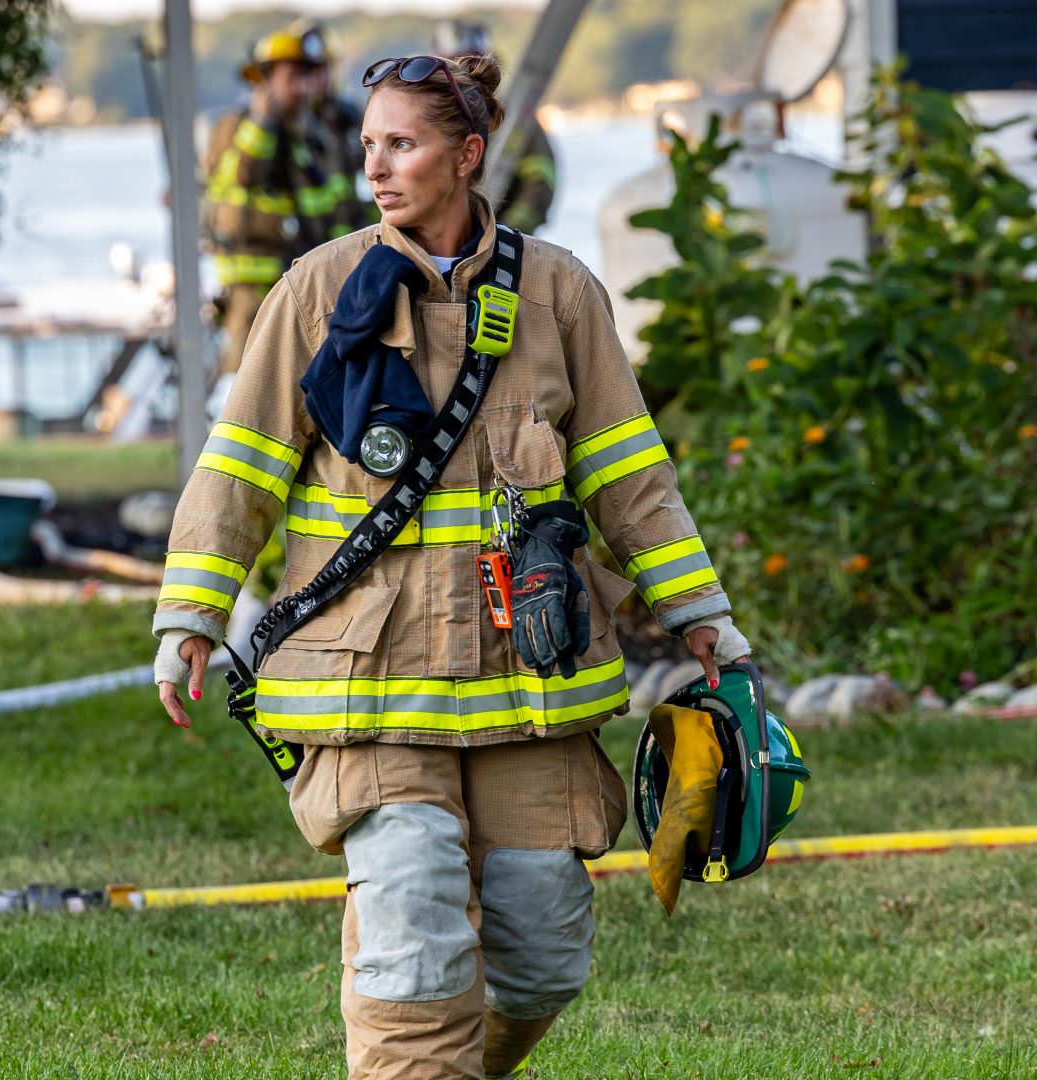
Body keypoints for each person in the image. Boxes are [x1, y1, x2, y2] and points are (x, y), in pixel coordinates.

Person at [156, 51, 751, 1080]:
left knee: (542, 955)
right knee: (417, 956)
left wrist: (699, 612)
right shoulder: (317, 292)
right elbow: (238, 467)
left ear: (467, 156)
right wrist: (189, 618)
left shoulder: (560, 294)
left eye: (403, 144)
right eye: (369, 145)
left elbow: (628, 474)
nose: (375, 169)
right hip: (369, 684)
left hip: (527, 679)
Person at [202, 26, 322, 378]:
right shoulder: (236, 128)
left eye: (305, 78)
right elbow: (242, 173)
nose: (301, 89)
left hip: (293, 275)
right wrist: (263, 118)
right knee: (244, 376)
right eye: (291, 78)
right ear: (265, 81)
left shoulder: (301, 131)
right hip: (249, 281)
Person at [434, 20, 557, 234]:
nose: (459, 76)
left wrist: (507, 233)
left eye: (468, 65)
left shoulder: (513, 119)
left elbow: (540, 181)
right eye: (451, 65)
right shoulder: (426, 119)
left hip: (501, 246)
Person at [294, 19, 371, 241]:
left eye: (322, 69)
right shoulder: (285, 126)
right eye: (307, 71)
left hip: (354, 242)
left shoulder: (349, 117)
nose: (317, 79)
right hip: (304, 249)